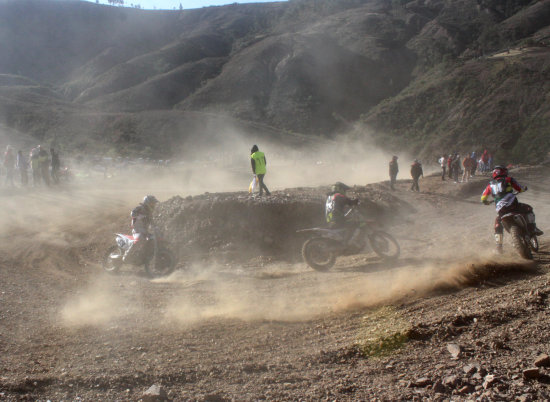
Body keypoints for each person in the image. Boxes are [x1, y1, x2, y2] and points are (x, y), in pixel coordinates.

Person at [481, 166, 543, 253]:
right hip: (513, 206)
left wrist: (486, 202)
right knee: (528, 208)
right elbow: (519, 188)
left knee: (498, 224)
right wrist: (522, 189)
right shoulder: (508, 179)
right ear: (503, 172)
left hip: (501, 211)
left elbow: (483, 198)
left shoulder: (490, 185)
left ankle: (499, 246)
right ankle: (533, 228)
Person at [123, 195, 159, 263]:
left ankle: (142, 255)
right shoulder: (140, 208)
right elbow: (132, 213)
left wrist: (156, 227)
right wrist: (140, 216)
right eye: (152, 203)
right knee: (139, 239)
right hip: (137, 229)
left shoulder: (149, 213)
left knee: (152, 238)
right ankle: (126, 256)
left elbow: (152, 222)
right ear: (147, 203)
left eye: (154, 204)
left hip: (144, 231)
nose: (154, 205)